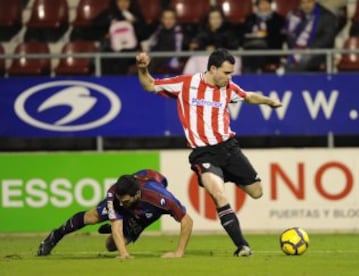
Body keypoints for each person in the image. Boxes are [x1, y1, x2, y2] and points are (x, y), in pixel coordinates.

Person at [136, 48, 282, 256]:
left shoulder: (228, 87)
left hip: (229, 148)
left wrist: (268, 101)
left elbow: (248, 96)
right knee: (219, 195)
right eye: (226, 72)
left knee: (256, 191)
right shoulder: (186, 84)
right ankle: (242, 246)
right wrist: (143, 69)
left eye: (231, 73)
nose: (229, 77)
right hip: (204, 154)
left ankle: (225, 175)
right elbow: (150, 85)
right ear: (212, 69)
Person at [37, 169, 193, 259]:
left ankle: (122, 221)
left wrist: (178, 252)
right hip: (129, 207)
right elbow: (117, 226)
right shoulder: (114, 194)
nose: (121, 203)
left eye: (125, 201)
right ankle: (55, 235)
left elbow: (187, 221)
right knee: (92, 217)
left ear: (137, 195)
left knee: (110, 246)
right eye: (120, 200)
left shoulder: (159, 198)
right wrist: (124, 254)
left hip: (145, 211)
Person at [283, 0, 338, 72]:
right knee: (289, 62)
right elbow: (290, 36)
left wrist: (310, 48)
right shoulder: (296, 15)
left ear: (315, 2)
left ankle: (294, 80)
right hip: (297, 50)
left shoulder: (326, 16)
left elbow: (328, 38)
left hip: (319, 52)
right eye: (303, 3)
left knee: (302, 61)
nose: (306, 5)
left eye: (309, 2)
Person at [242, 0, 285, 73]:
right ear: (257, 5)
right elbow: (244, 35)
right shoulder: (250, 19)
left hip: (271, 53)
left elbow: (280, 39)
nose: (264, 6)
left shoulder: (278, 19)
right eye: (262, 3)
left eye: (266, 3)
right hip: (252, 54)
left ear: (270, 4)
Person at [145, 8, 186, 74]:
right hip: (156, 55)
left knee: (154, 61)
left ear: (175, 20)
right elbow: (150, 43)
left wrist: (175, 59)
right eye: (165, 18)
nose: (168, 21)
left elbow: (179, 49)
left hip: (170, 57)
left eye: (171, 18)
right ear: (162, 19)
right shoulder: (159, 29)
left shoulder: (179, 32)